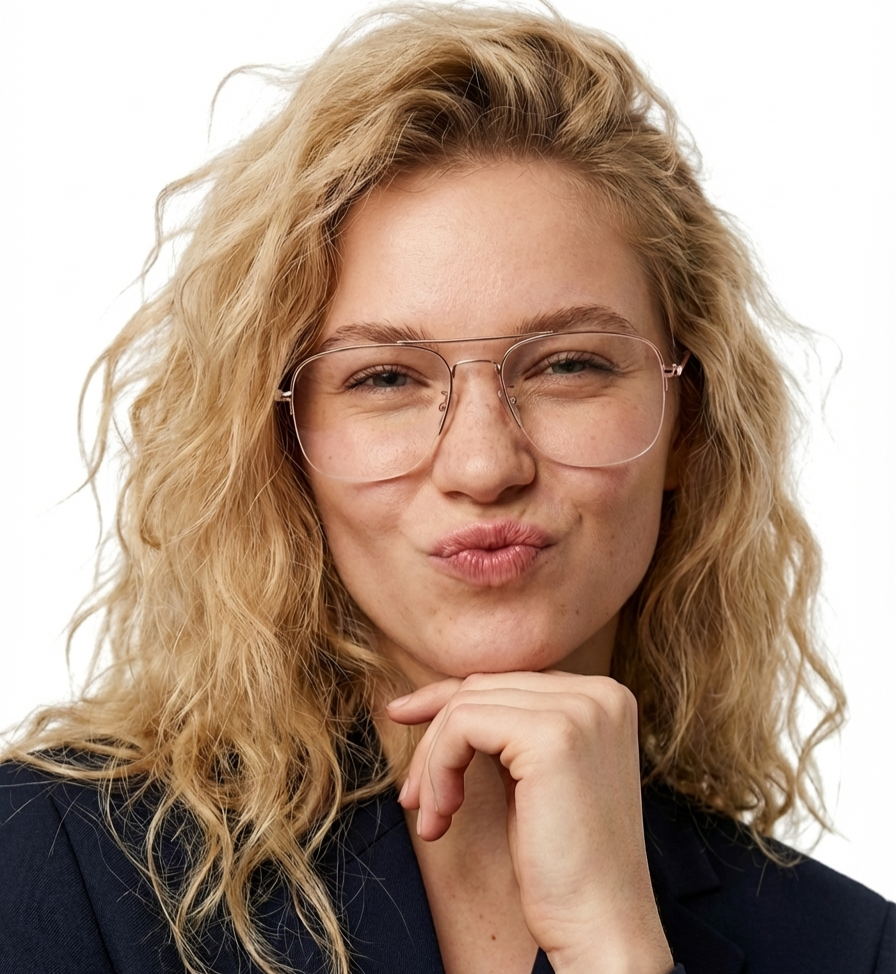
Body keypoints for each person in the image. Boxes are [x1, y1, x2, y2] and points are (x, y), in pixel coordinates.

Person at [1, 4, 893, 973]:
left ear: (689, 418)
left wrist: (617, 950)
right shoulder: (50, 862)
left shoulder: (847, 946)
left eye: (566, 366)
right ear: (282, 444)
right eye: (383, 377)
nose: (482, 464)